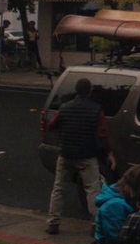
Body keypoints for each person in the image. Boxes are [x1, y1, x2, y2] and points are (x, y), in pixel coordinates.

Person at [46, 77, 116, 235]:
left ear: (76, 90)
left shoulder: (65, 107)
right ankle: (96, 224)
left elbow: (51, 125)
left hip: (66, 153)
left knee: (59, 188)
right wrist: (109, 152)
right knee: (92, 189)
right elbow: (102, 134)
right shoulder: (96, 109)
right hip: (87, 154)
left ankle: (53, 222)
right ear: (90, 91)